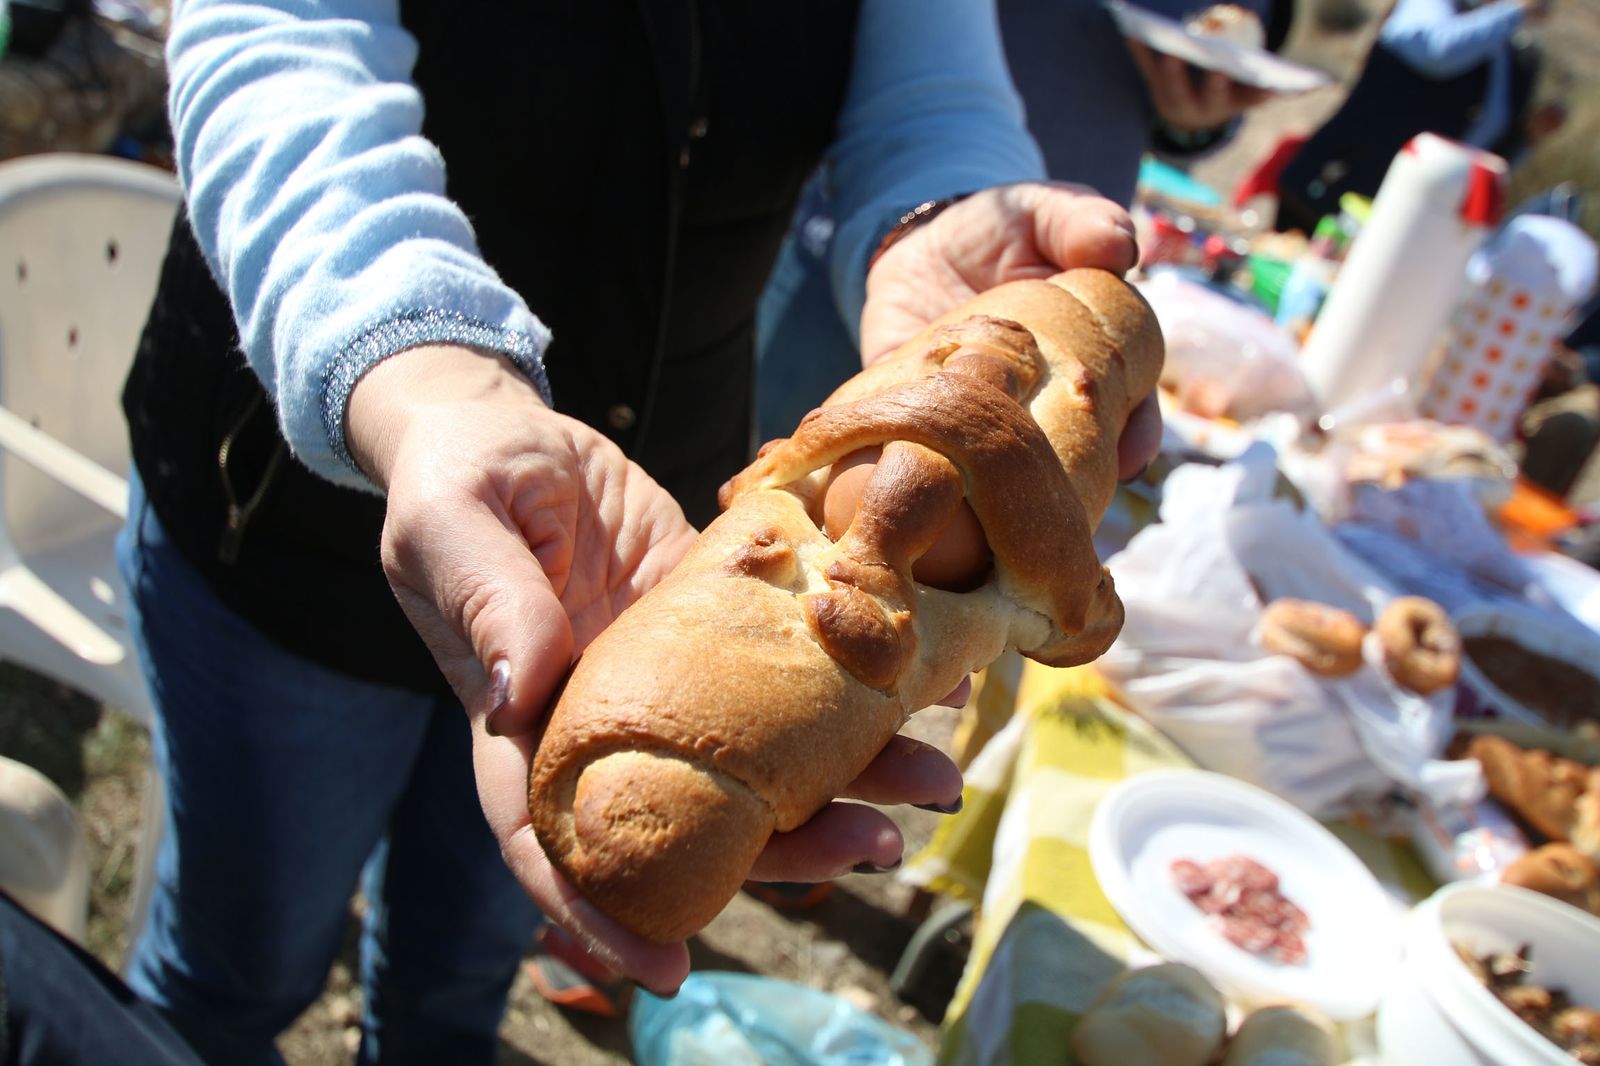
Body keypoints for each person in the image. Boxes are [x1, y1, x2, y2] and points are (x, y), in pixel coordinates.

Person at [116, 1, 1162, 1063]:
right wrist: (423, 371)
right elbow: (275, 40)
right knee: (237, 966)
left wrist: (941, 218)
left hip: (635, 558)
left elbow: (926, 90)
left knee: (468, 967)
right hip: (301, 496)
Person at [757, 0, 1287, 441]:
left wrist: (1194, 123)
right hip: (851, 238)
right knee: (786, 448)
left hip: (1031, 241)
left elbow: (927, 95)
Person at [1273, 0, 1548, 235]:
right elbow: (1437, 51)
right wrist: (1514, 11)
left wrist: (1526, 140)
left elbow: (1480, 146)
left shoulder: (1512, 55)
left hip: (1403, 217)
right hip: (1334, 187)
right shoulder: (1433, 7)